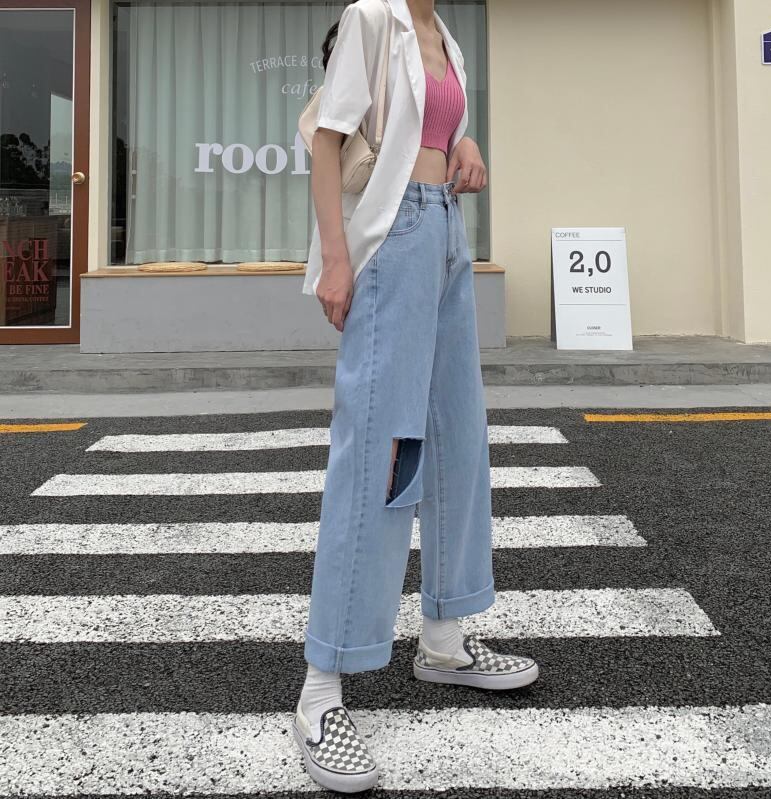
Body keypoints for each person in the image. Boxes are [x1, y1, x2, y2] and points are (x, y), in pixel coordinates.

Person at [293, 0, 539, 791]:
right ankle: (321, 688)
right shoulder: (373, 17)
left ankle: (443, 638)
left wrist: (463, 142)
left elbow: (428, 134)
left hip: (448, 232)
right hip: (392, 236)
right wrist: (336, 260)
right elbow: (327, 141)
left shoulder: (447, 38)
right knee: (378, 451)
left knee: (457, 440)